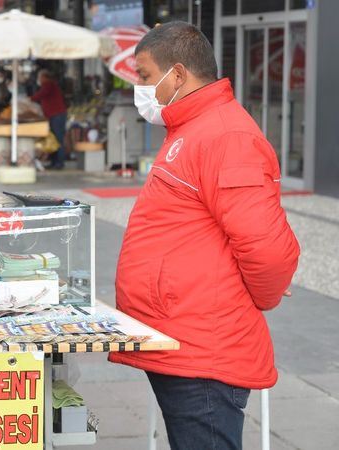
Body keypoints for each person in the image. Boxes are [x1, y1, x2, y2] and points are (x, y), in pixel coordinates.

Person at [108, 22, 300, 450]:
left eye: (143, 75)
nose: (140, 88)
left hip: (204, 347)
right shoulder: (192, 128)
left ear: (177, 75)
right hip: (185, 337)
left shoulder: (225, 135)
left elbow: (266, 249)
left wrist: (263, 292)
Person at [30, 69, 67, 169]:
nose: (39, 79)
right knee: (53, 139)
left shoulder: (48, 84)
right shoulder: (48, 84)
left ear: (44, 77)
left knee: (57, 139)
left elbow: (41, 95)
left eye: (39, 77)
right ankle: (54, 161)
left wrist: (29, 99)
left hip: (57, 115)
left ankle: (59, 162)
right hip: (53, 115)